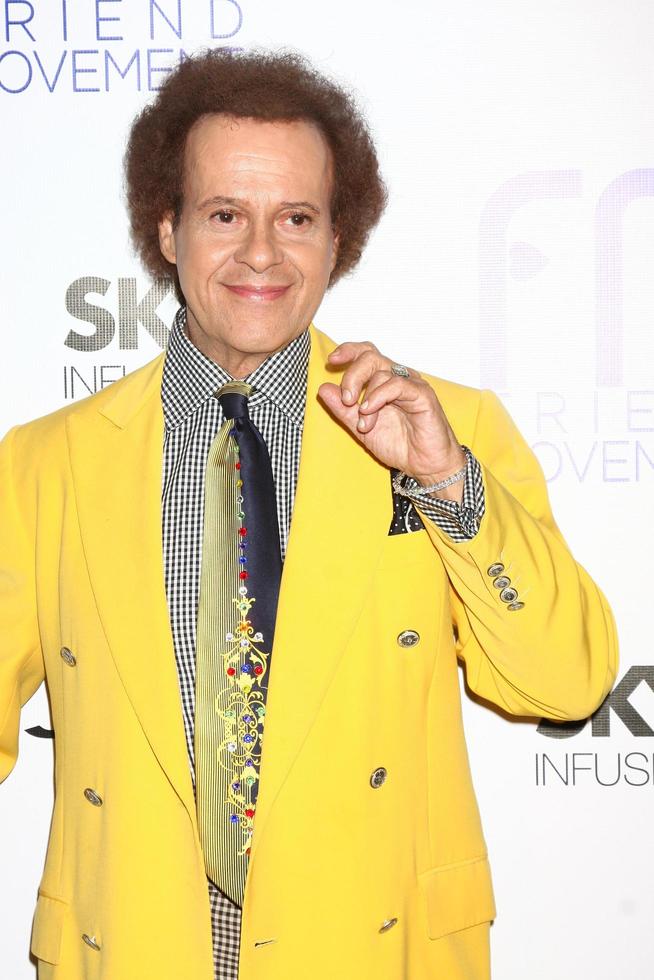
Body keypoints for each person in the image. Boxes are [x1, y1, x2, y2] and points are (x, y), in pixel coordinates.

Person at [0, 48, 617, 980]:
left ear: (339, 240)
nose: (261, 253)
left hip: (375, 953)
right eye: (224, 215)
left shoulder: (450, 430)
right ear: (166, 230)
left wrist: (449, 487)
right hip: (129, 951)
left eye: (296, 217)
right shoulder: (48, 462)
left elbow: (567, 682)